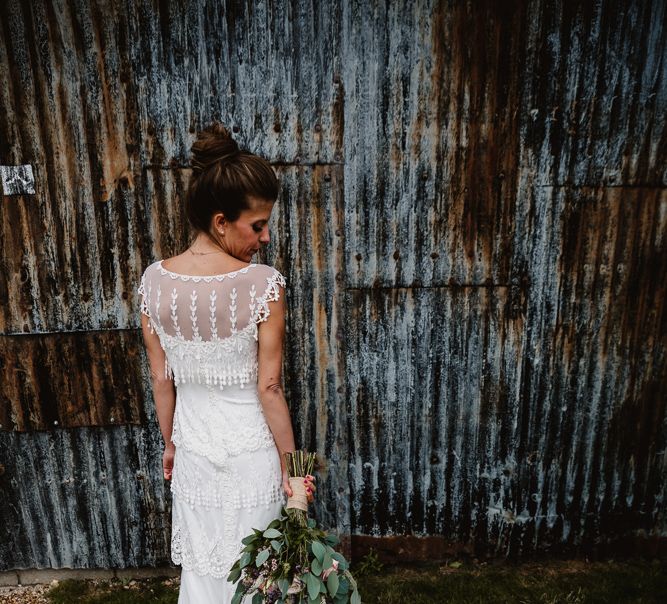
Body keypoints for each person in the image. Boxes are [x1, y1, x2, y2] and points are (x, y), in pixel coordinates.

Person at [137, 123, 315, 603]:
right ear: (221, 221)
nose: (266, 236)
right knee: (259, 575)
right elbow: (270, 388)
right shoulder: (263, 284)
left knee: (205, 574)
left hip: (193, 453)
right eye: (257, 225)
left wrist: (170, 445)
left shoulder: (152, 282)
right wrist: (293, 469)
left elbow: (161, 378)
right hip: (249, 456)